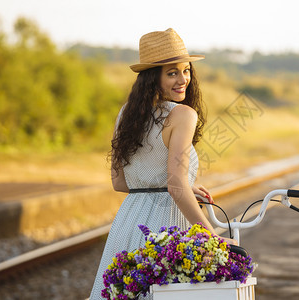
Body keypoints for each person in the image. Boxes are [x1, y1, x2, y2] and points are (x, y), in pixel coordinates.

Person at [89, 28, 235, 299]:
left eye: (186, 70)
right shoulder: (183, 115)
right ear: (152, 77)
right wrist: (210, 234)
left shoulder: (127, 114)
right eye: (172, 72)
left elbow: (120, 183)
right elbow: (175, 184)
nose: (183, 80)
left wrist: (177, 186)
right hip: (168, 229)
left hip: (129, 222)